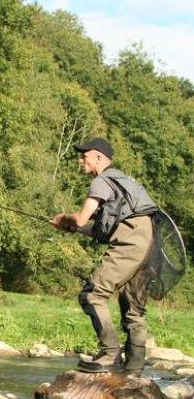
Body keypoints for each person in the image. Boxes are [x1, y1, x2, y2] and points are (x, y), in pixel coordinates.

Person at [51, 137, 157, 374]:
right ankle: (134, 368)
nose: (81, 160)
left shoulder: (101, 181)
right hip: (147, 243)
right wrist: (76, 228)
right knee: (132, 308)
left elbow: (80, 218)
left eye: (84, 156)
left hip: (131, 244)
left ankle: (110, 354)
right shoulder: (125, 182)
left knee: (92, 294)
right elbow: (105, 230)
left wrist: (67, 220)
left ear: (99, 157)